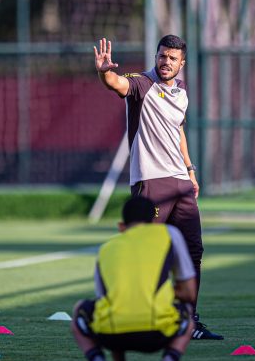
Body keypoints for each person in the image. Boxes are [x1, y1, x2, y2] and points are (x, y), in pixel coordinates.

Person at [94, 35, 223, 340]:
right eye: (162, 56)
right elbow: (116, 83)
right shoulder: (141, 83)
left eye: (173, 58)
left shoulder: (181, 93)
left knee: (193, 251)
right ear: (157, 56)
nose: (166, 62)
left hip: (180, 182)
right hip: (151, 179)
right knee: (146, 252)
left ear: (182, 63)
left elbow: (178, 129)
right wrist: (103, 72)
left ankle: (188, 320)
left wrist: (190, 170)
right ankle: (136, 316)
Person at [71, 196, 196, 361]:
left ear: (121, 226)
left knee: (80, 310)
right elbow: (189, 293)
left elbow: (110, 304)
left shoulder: (106, 249)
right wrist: (165, 293)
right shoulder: (169, 233)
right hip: (158, 334)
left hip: (112, 336)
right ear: (153, 222)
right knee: (187, 313)